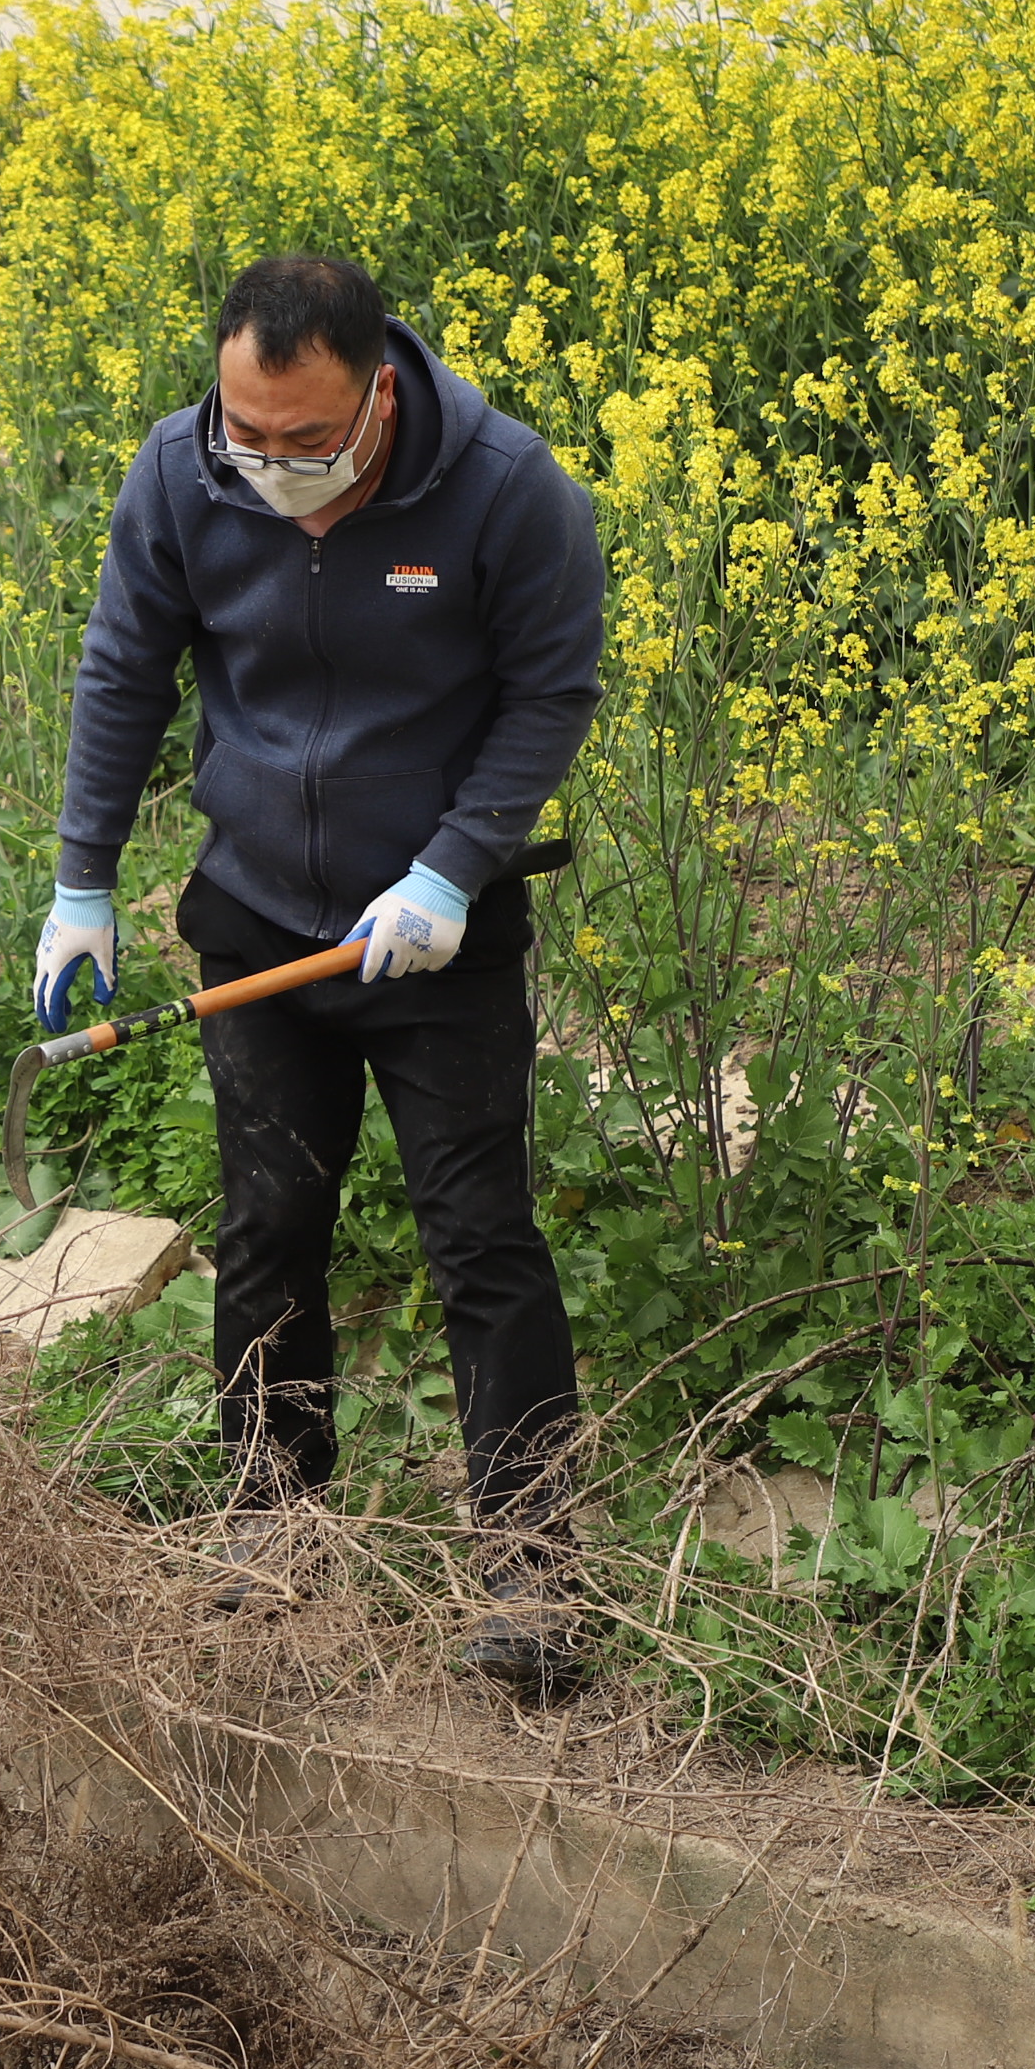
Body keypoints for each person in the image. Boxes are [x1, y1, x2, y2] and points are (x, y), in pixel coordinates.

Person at [37, 252, 607, 1695]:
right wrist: (83, 881)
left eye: (305, 438)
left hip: (431, 935)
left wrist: (455, 866)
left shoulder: (506, 490)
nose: (272, 463)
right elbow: (125, 669)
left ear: (378, 396)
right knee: (270, 1220)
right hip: (259, 919)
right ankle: (270, 1523)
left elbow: (552, 690)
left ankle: (537, 1576)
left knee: (479, 1236)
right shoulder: (182, 472)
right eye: (248, 432)